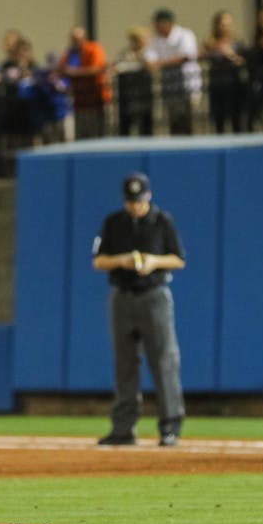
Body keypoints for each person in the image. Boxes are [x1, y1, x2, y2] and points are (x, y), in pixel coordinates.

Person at [92, 173, 186, 447]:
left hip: (154, 296)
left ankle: (170, 426)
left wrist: (154, 261)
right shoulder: (114, 222)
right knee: (125, 364)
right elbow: (98, 261)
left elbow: (179, 259)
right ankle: (124, 428)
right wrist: (121, 260)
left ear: (149, 196)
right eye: (131, 201)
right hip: (122, 296)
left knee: (164, 361)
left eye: (140, 200)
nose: (136, 206)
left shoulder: (162, 221)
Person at [145, 8, 201, 135]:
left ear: (167, 23)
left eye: (158, 22)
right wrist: (155, 64)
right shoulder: (155, 40)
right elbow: (150, 60)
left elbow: (185, 56)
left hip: (187, 85)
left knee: (187, 120)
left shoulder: (185, 34)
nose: (156, 26)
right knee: (174, 121)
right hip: (169, 86)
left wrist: (160, 64)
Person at [56, 26, 112, 139]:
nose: (76, 42)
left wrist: (74, 72)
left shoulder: (94, 48)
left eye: (78, 39)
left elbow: (97, 68)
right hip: (78, 100)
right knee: (81, 133)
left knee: (96, 132)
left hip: (95, 98)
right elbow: (62, 69)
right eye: (73, 39)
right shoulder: (69, 52)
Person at [201, 10, 247, 134]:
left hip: (233, 85)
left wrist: (230, 55)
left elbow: (243, 62)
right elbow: (201, 56)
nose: (225, 28)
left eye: (228, 24)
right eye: (222, 24)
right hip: (216, 84)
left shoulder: (238, 43)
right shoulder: (210, 43)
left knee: (235, 118)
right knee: (218, 120)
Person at [112, 26, 154, 137]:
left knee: (145, 123)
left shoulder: (149, 52)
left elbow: (151, 66)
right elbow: (116, 67)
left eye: (139, 39)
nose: (136, 42)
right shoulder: (125, 53)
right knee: (126, 121)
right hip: (127, 94)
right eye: (134, 39)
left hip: (143, 93)